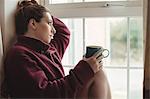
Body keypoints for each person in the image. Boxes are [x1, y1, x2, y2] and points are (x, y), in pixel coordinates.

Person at [2, 0, 111, 98]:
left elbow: (64, 33)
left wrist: (35, 8)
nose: (54, 30)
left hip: (63, 94)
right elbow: (45, 94)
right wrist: (85, 69)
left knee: (98, 72)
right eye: (49, 23)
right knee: (93, 72)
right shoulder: (19, 55)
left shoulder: (50, 50)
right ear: (33, 24)